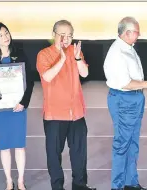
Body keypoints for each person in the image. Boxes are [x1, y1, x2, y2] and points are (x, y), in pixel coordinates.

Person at [36, 20, 96, 190]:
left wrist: (77, 57)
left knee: (79, 153)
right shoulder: (44, 54)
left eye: (70, 35)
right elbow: (47, 77)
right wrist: (61, 58)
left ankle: (79, 184)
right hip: (55, 114)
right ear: (54, 34)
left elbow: (84, 73)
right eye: (63, 34)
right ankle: (57, 186)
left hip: (76, 112)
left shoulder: (74, 51)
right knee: (54, 155)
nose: (67, 38)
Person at [103, 16, 147, 190]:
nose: (139, 35)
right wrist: (146, 84)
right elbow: (125, 83)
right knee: (122, 144)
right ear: (127, 33)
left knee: (132, 143)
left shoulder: (128, 47)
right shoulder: (117, 53)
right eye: (137, 32)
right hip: (124, 99)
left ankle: (130, 182)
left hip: (133, 98)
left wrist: (144, 85)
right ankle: (117, 186)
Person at [0, 22, 34, 190]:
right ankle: (8, 181)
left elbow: (30, 81)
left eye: (6, 33)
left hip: (18, 107)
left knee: (20, 145)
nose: (5, 37)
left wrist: (23, 103)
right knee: (4, 146)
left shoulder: (19, 53)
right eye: (0, 35)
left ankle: (20, 181)